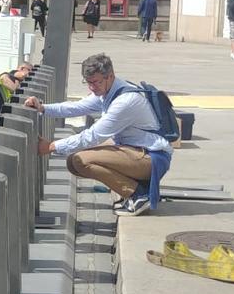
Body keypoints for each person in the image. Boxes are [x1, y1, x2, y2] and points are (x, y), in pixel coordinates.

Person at [24, 53, 172, 216]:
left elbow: (93, 135)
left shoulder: (125, 101)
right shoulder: (109, 91)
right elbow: (76, 107)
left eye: (96, 82)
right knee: (73, 162)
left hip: (152, 158)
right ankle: (135, 191)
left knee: (80, 160)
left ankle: (138, 194)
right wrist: (42, 108)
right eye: (88, 83)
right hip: (137, 150)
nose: (92, 88)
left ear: (110, 76)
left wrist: (51, 147)